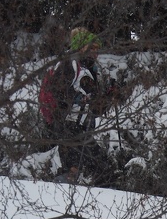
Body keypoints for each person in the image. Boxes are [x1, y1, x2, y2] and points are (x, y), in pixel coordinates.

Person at [39, 27, 116, 185]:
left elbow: (94, 109)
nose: (96, 53)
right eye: (92, 48)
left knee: (89, 170)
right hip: (70, 127)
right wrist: (66, 118)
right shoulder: (70, 65)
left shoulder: (89, 70)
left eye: (97, 49)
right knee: (95, 169)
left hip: (80, 128)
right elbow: (60, 94)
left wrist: (110, 95)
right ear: (82, 47)